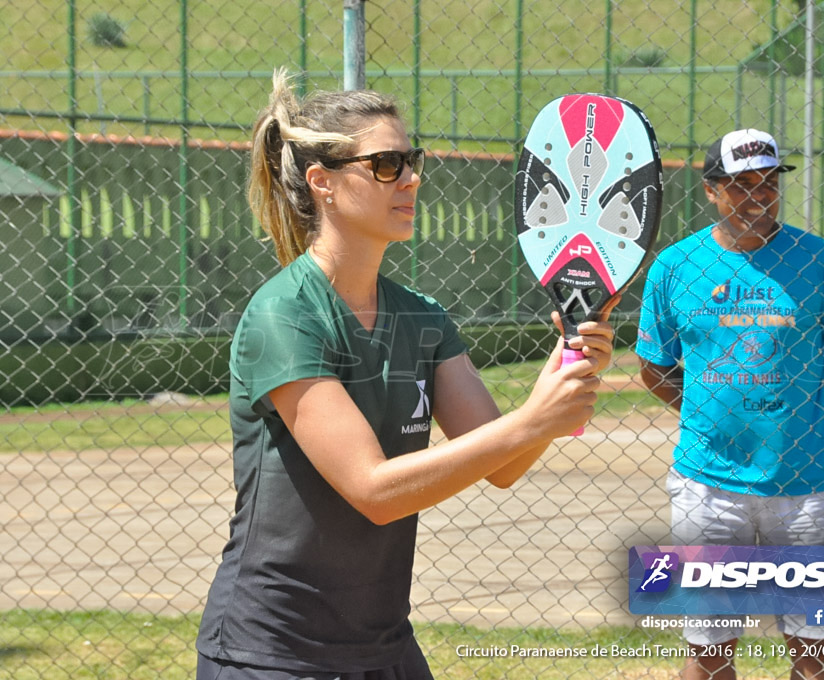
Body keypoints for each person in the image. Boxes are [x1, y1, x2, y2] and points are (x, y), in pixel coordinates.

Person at [195, 69, 618, 680]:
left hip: (384, 645)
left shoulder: (422, 318)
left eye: (411, 159)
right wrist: (534, 419)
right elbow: (374, 491)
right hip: (273, 652)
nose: (412, 178)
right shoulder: (283, 316)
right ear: (323, 183)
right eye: (387, 164)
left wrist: (567, 365)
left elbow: (504, 462)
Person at [635, 128, 824, 680]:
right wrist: (713, 421)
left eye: (768, 184)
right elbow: (653, 367)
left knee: (815, 648)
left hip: (804, 480)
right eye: (741, 185)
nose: (757, 197)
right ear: (711, 190)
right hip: (708, 482)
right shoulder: (676, 267)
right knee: (708, 649)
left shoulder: (821, 261)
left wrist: (797, 422)